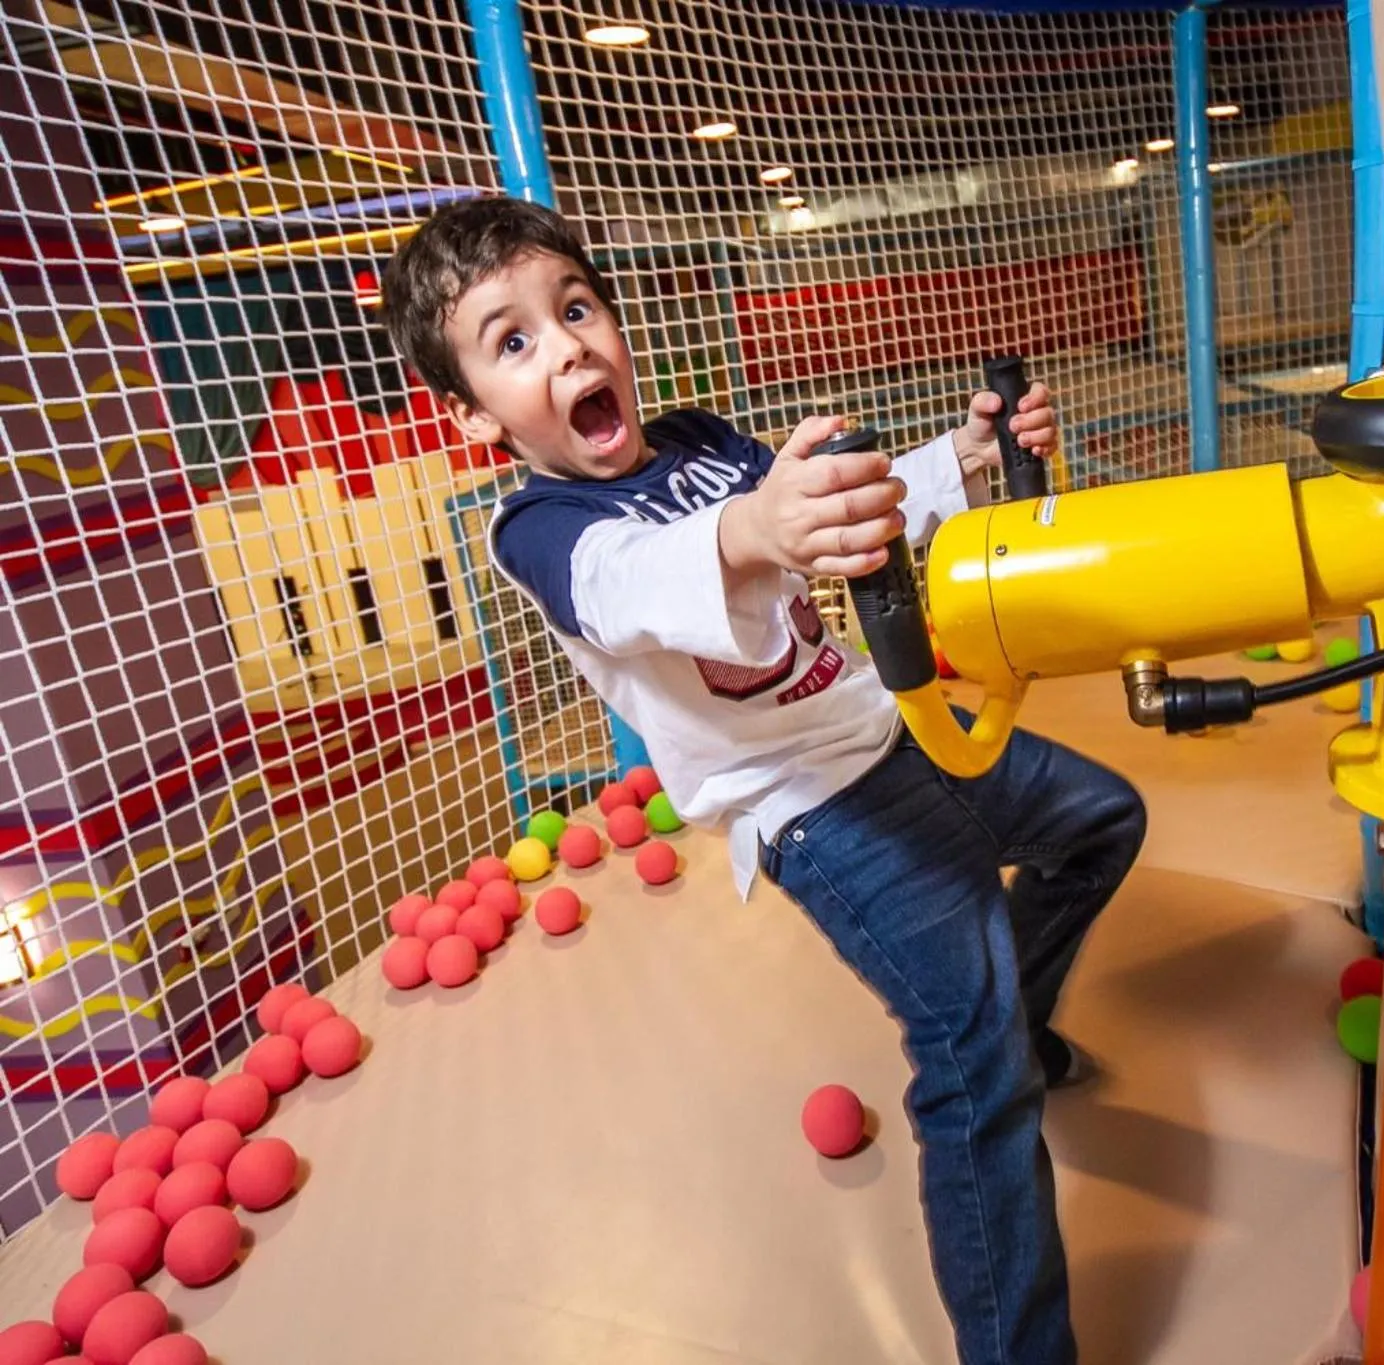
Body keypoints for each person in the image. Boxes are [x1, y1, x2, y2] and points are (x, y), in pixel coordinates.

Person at [380, 195, 1146, 1364]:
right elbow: (634, 583)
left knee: (1100, 821)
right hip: (808, 806)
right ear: (474, 414)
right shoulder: (541, 527)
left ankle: (1026, 1017)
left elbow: (833, 517)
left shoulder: (694, 437)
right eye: (514, 341)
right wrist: (752, 528)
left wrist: (964, 457)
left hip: (891, 726)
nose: (568, 348)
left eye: (576, 309)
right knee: (970, 1057)